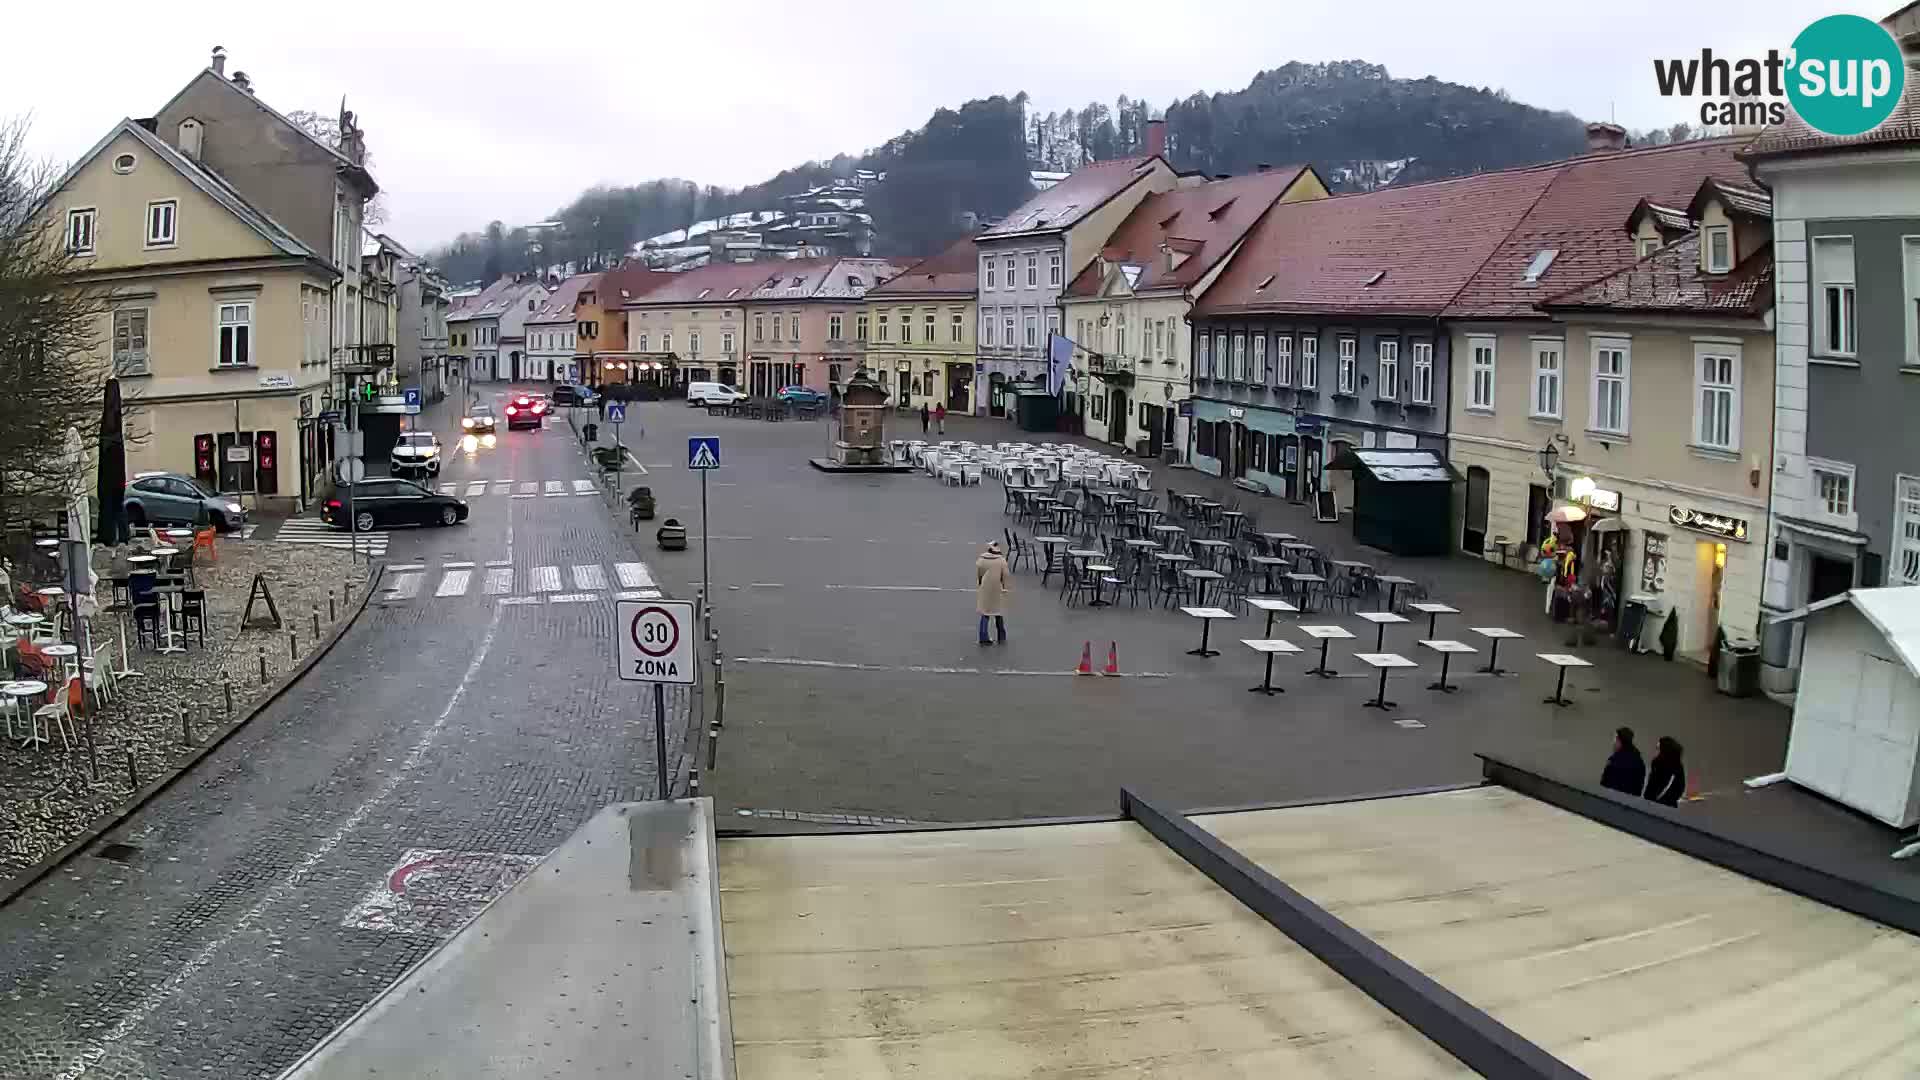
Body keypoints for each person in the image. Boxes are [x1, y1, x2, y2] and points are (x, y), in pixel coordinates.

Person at [975, 541, 1011, 645]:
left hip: (985, 589)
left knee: (985, 613)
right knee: (998, 613)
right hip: (997, 589)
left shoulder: (982, 560)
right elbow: (1005, 576)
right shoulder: (1001, 561)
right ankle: (1001, 636)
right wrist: (1005, 587)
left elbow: (979, 573)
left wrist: (980, 582)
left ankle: (983, 637)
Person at [1599, 727, 1646, 797]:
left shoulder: (1615, 760)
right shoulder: (1639, 761)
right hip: (1630, 803)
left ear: (1619, 740)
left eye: (1615, 739)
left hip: (1611, 800)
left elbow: (1605, 782)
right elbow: (1639, 786)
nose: (1613, 743)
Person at [1644, 736, 1686, 807]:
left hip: (1655, 804)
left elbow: (1654, 785)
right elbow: (1680, 788)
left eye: (1658, 748)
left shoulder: (1659, 764)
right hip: (1669, 805)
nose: (1656, 750)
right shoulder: (1678, 766)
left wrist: (1650, 798)